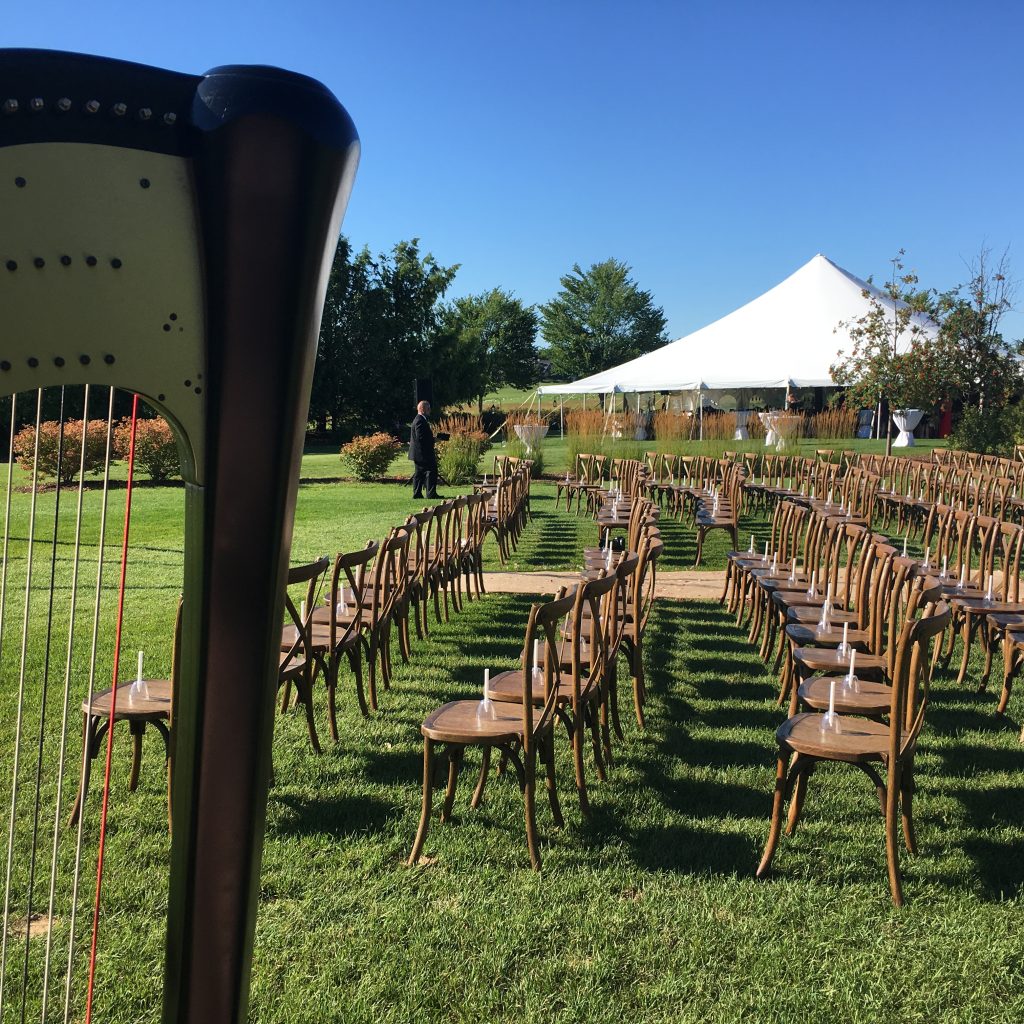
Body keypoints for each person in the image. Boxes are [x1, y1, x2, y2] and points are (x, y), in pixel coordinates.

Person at [409, 400, 443, 499]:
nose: (430, 410)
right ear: (422, 409)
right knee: (432, 471)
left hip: (419, 453)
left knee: (419, 473)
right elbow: (421, 438)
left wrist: (433, 438)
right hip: (423, 453)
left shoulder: (419, 419)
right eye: (428, 408)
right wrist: (434, 439)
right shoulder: (420, 420)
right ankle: (431, 493)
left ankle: (417, 493)